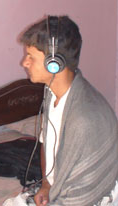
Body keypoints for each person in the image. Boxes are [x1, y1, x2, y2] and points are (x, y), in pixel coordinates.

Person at [20, 15, 118, 205]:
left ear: (55, 64)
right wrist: (47, 185)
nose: (24, 63)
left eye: (31, 57)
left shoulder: (85, 120)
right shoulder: (51, 92)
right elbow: (46, 144)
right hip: (58, 191)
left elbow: (83, 197)